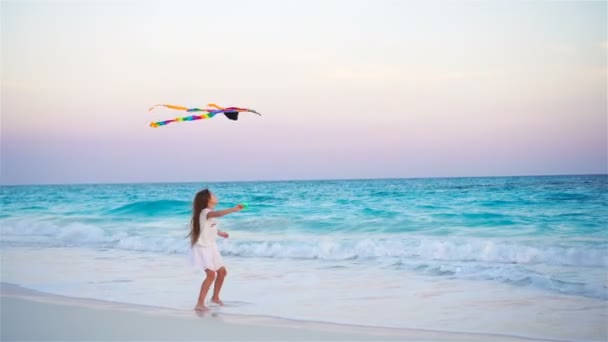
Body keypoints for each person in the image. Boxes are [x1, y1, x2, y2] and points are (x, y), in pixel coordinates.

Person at [188, 189, 243, 311]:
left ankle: (215, 298)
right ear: (207, 199)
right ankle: (199, 303)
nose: (215, 195)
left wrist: (220, 233)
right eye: (212, 194)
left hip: (212, 247)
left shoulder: (208, 214)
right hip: (202, 247)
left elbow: (209, 226)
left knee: (222, 272)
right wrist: (234, 209)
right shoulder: (205, 212)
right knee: (211, 275)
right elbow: (218, 214)